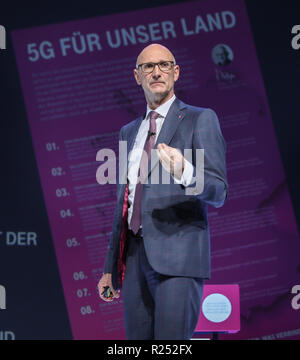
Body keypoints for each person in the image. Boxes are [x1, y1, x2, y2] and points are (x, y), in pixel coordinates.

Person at [97, 43, 228, 340]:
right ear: (137, 76)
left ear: (176, 72)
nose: (157, 71)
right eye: (148, 67)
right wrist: (110, 266)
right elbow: (125, 201)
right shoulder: (128, 132)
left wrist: (186, 172)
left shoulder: (200, 119)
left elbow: (218, 191)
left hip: (179, 258)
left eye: (165, 65)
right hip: (133, 260)